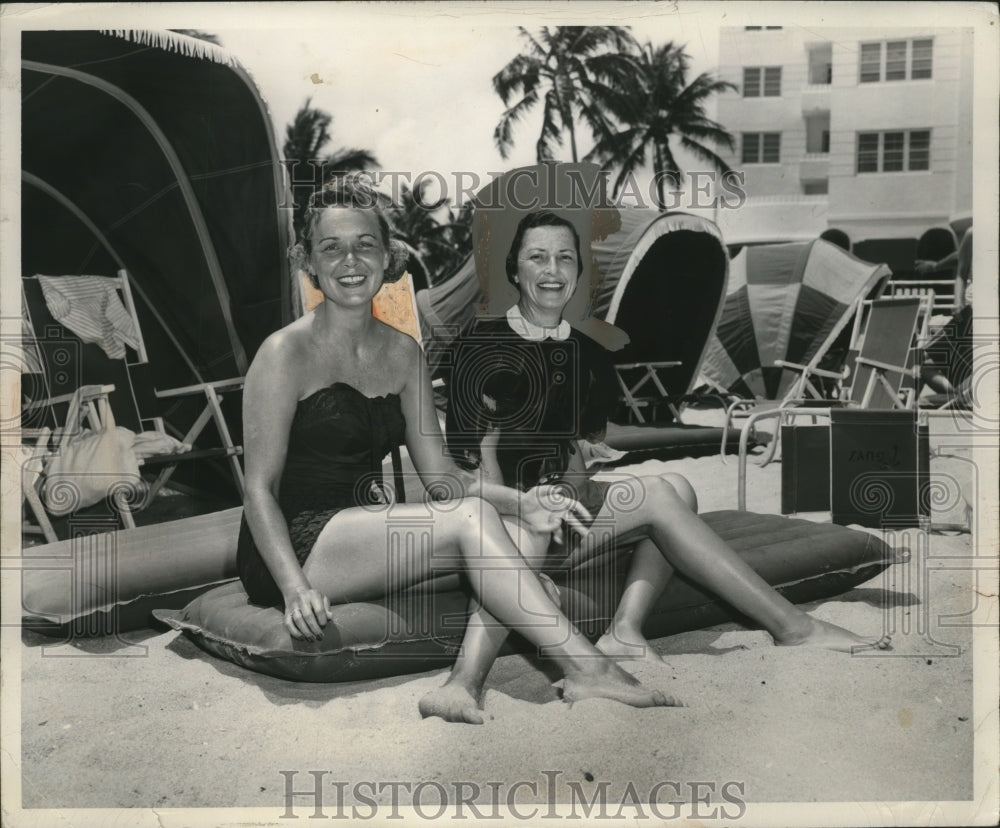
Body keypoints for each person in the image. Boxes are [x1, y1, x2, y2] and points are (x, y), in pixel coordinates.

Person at [421, 210, 890, 724]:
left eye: (565, 258)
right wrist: (531, 503)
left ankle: (625, 629)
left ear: (578, 271)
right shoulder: (482, 346)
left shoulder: (583, 350)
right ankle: (463, 682)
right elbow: (470, 473)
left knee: (676, 487)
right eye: (538, 257)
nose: (552, 270)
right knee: (591, 515)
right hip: (503, 520)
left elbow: (574, 448)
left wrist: (575, 489)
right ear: (515, 269)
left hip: (561, 511)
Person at [235, 178, 681, 715]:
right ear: (308, 260)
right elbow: (258, 489)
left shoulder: (404, 353)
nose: (350, 261)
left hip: (362, 529)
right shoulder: (283, 353)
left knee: (500, 523)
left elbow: (442, 479)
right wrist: (293, 588)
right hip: (295, 545)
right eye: (331, 248)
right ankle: (588, 668)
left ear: (388, 256)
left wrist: (522, 502)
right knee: (472, 520)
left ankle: (464, 683)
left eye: (365, 244)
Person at [917, 226, 973, 400]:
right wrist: (958, 302)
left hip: (985, 314)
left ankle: (968, 394)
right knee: (924, 362)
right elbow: (961, 265)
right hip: (970, 311)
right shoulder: (973, 233)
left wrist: (935, 266)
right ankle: (965, 395)